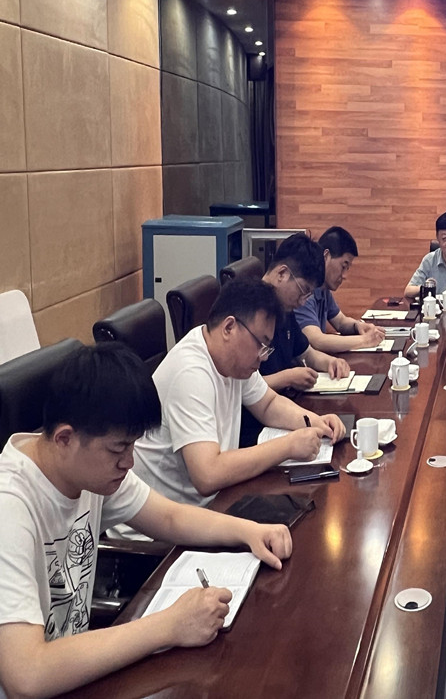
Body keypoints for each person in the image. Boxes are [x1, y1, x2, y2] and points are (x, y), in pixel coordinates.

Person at [0, 343, 293, 698]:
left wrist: (249, 531)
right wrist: (169, 626)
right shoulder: (10, 508)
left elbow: (168, 517)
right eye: (118, 449)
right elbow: (26, 676)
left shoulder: (84, 469)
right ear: (65, 438)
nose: (129, 462)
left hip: (77, 672)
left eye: (132, 446)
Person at [120, 279, 346, 518]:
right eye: (261, 344)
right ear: (229, 327)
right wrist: (288, 446)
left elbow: (268, 404)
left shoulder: (231, 359)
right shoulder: (190, 373)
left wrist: (317, 422)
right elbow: (207, 475)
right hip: (164, 524)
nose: (263, 357)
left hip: (213, 504)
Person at [257, 232, 351, 393]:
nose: (302, 302)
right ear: (282, 274)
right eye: (303, 291)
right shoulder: (250, 311)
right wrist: (287, 378)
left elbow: (306, 353)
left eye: (308, 295)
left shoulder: (285, 308)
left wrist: (330, 362)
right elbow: (241, 387)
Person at [295, 225, 387, 353]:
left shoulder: (323, 288)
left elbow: (340, 322)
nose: (344, 276)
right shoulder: (304, 289)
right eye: (343, 266)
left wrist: (358, 326)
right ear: (326, 256)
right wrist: (365, 340)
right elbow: (316, 340)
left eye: (347, 269)